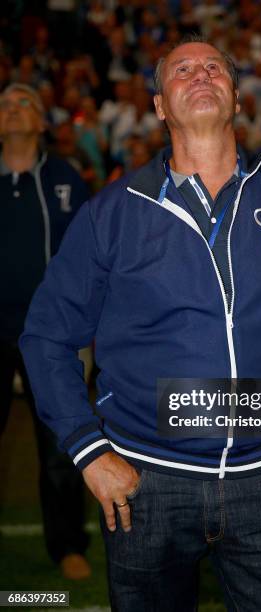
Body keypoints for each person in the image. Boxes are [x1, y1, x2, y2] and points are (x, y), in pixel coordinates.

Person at [20, 38, 261, 611]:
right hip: (144, 486)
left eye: (215, 68)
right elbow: (45, 336)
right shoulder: (110, 213)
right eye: (182, 70)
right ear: (160, 105)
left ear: (236, 96)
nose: (202, 74)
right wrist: (87, 448)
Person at [0, 83, 91, 580]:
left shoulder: (66, 179)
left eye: (24, 103)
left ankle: (67, 544)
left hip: (50, 335)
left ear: (41, 122)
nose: (12, 110)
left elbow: (84, 257)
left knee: (61, 442)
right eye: (5, 104)